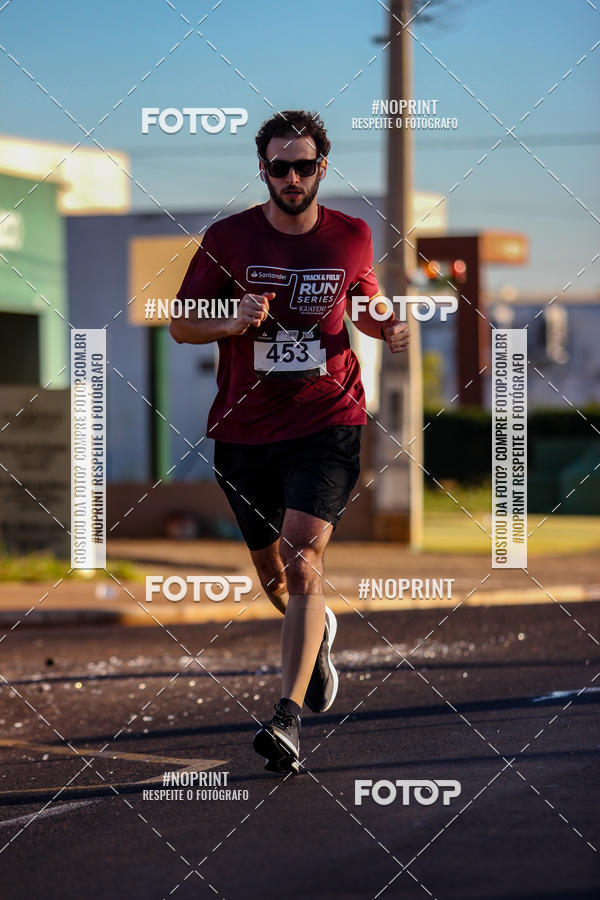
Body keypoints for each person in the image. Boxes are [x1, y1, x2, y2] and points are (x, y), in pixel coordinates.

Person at [170, 109, 409, 775]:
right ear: (264, 170)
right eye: (281, 167)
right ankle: (320, 633)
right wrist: (231, 318)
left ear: (322, 168)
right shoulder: (228, 237)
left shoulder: (352, 236)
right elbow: (180, 325)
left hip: (328, 418)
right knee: (276, 578)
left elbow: (362, 299)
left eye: (305, 166)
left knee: (304, 561)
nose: (293, 177)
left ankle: (286, 718)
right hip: (244, 430)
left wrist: (386, 325)